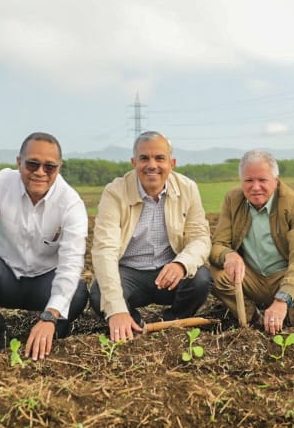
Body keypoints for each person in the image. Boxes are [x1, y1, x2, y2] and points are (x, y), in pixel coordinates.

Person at [0, 133, 88, 359]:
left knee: (76, 291)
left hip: (44, 282)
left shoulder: (71, 203)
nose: (40, 172)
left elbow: (71, 263)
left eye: (49, 167)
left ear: (59, 168)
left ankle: (51, 335)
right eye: (32, 164)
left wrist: (50, 315)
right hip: (4, 275)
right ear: (19, 162)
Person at [90, 131, 212, 342]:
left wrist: (181, 264)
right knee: (99, 294)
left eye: (160, 158)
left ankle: (173, 321)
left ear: (171, 163)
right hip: (128, 273)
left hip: (169, 272)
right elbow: (105, 249)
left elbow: (200, 238)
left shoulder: (188, 188)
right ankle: (132, 324)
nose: (152, 165)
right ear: (134, 163)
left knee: (200, 279)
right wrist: (117, 309)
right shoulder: (115, 192)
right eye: (144, 158)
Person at [208, 150, 294, 334]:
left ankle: (293, 326)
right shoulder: (233, 200)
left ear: (276, 180)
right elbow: (218, 244)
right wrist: (229, 255)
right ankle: (254, 320)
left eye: (262, 180)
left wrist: (283, 298)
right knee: (213, 275)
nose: (255, 187)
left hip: (282, 275)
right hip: (249, 276)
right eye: (249, 180)